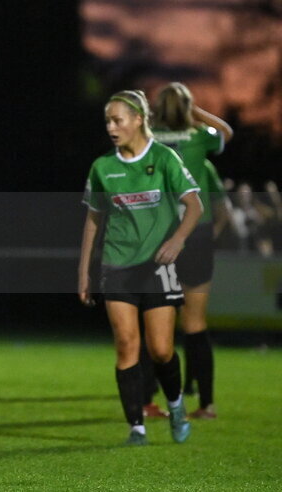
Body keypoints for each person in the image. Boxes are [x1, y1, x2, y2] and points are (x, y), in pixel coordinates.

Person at [78, 90, 202, 446]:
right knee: (126, 345)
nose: (111, 127)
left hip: (156, 267)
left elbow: (194, 206)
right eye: (107, 121)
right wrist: (84, 271)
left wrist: (177, 240)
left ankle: (176, 404)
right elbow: (92, 221)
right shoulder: (103, 167)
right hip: (116, 266)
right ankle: (137, 427)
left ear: (138, 120)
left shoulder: (163, 158)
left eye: (118, 120)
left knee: (161, 349)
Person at [149, 82, 232, 419]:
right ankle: (207, 405)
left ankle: (156, 401)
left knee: (157, 322)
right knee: (195, 323)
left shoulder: (150, 136)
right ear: (187, 107)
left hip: (159, 234)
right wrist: (195, 112)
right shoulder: (199, 135)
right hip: (195, 234)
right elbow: (226, 132)